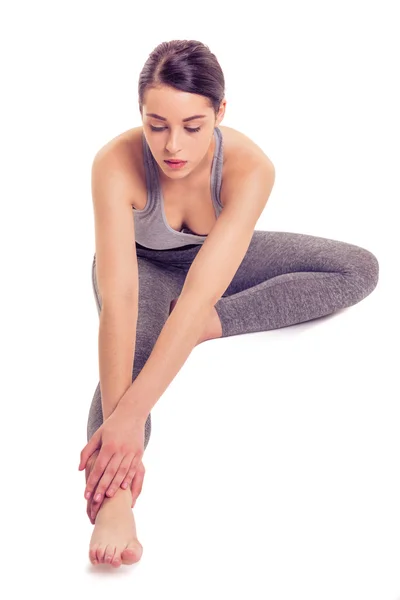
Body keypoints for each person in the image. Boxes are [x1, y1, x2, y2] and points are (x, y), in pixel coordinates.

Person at [79, 39, 379, 568]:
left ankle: (211, 327)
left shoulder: (249, 166)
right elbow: (122, 301)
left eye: (193, 127)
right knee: (137, 351)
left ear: (220, 111)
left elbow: (200, 291)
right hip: (139, 266)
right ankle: (116, 503)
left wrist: (201, 320)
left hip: (214, 267)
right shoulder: (114, 163)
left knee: (357, 267)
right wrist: (123, 422)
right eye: (156, 125)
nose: (173, 145)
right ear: (140, 116)